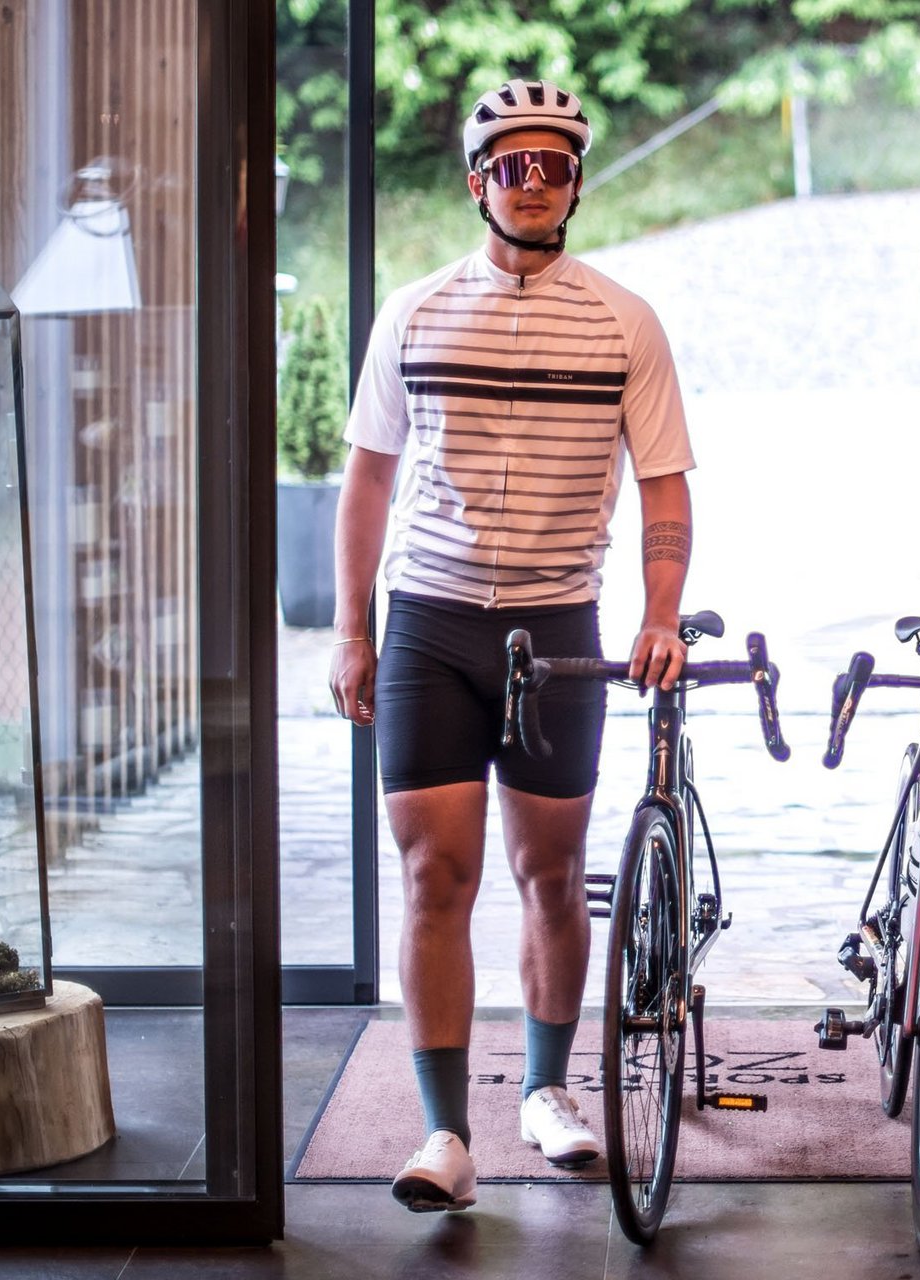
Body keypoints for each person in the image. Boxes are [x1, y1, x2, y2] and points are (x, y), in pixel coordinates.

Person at [328, 78, 697, 1213]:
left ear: (577, 180)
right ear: (477, 180)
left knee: (550, 877)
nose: (532, 182)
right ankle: (444, 1131)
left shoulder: (626, 319)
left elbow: (666, 488)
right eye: (511, 164)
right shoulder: (416, 308)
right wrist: (353, 629)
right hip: (431, 622)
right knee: (436, 872)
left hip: (562, 629)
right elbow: (367, 483)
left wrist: (662, 611)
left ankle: (545, 1093)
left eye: (553, 164)